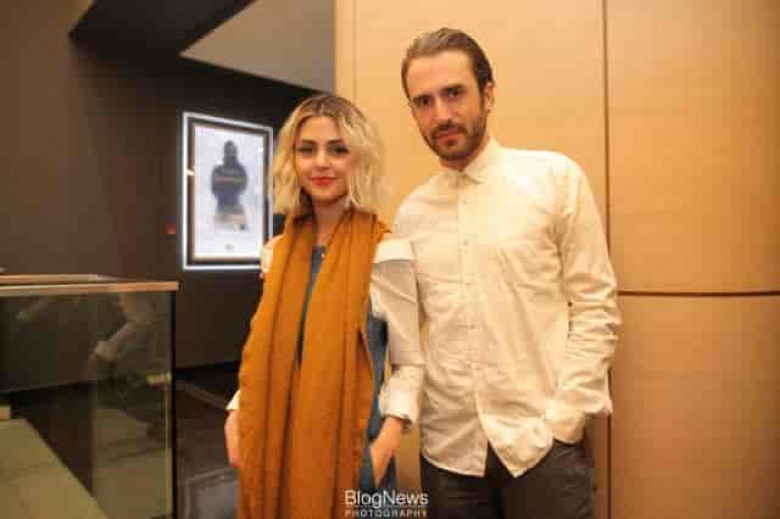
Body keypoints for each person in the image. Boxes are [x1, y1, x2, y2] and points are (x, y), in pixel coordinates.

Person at [394, 28, 621, 519]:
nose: (441, 114)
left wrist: (563, 421)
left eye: (454, 93)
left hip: (543, 452)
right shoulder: (411, 215)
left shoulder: (554, 179)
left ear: (489, 93)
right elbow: (400, 335)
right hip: (448, 456)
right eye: (424, 102)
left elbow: (596, 307)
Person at [223, 93, 424, 519]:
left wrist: (383, 449)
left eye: (337, 150)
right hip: (277, 450)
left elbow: (410, 364)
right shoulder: (275, 253)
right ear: (292, 160)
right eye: (307, 150)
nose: (321, 163)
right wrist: (237, 410)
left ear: (359, 159)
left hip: (357, 462)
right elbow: (270, 351)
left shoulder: (386, 253)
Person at [212, 140, 249, 229]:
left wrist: (231, 195)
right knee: (219, 230)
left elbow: (244, 185)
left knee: (240, 230)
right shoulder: (219, 168)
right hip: (224, 204)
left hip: (232, 204)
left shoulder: (239, 168)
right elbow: (214, 186)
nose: (231, 153)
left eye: (233, 151)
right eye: (229, 151)